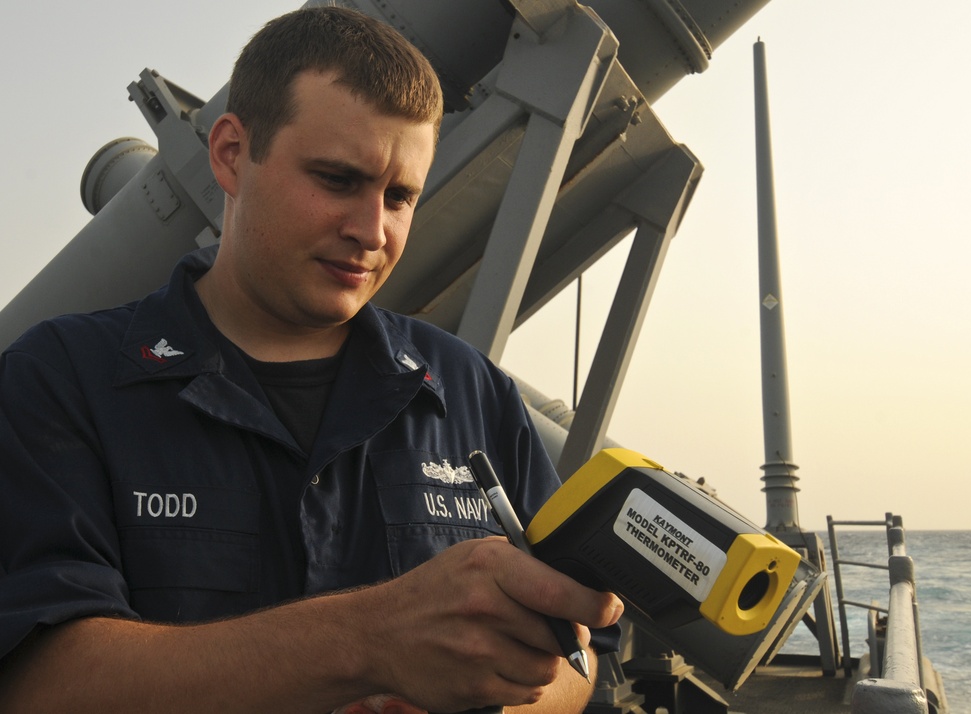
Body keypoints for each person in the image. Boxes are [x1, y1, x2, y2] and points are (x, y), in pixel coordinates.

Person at [0, 7, 622, 713]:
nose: (370, 231)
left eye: (400, 196)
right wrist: (370, 643)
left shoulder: (472, 392)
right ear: (232, 153)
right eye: (335, 179)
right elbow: (38, 682)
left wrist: (486, 696)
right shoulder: (60, 381)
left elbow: (582, 654)